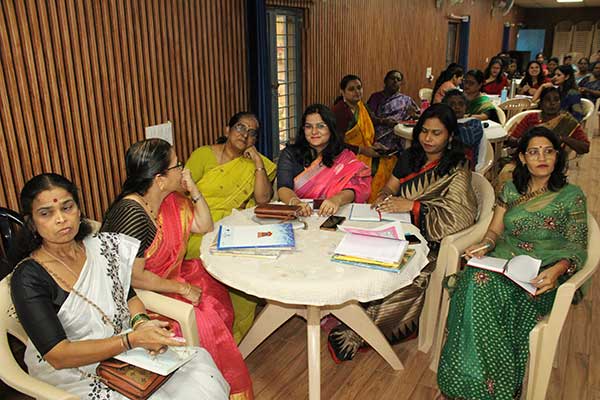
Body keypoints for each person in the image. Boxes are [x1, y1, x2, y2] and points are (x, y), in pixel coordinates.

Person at [10, 173, 230, 399]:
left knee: (198, 370)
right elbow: (58, 355)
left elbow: (128, 294)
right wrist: (130, 340)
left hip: (124, 350)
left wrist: (142, 324)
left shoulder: (100, 247)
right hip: (73, 371)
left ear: (78, 210)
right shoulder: (28, 278)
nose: (61, 219)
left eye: (67, 207)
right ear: (31, 222)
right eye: (46, 213)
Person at [438, 127, 588, 400]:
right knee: (474, 280)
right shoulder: (510, 189)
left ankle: (491, 385)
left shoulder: (572, 195)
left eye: (549, 151)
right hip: (505, 263)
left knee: (478, 289)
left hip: (544, 276)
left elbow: (577, 245)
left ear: (557, 156)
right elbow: (495, 231)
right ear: (522, 158)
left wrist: (557, 271)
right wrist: (484, 246)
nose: (542, 157)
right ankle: (477, 382)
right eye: (534, 152)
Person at [101, 139, 253, 399]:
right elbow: (134, 278)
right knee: (206, 320)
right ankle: (213, 381)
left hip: (168, 278)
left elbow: (205, 226)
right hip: (136, 296)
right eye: (177, 165)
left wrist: (193, 189)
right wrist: (182, 289)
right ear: (160, 179)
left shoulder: (170, 199)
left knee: (213, 289)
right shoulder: (133, 213)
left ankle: (215, 370)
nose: (183, 170)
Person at [327, 104, 477, 362]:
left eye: (437, 133)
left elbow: (460, 215)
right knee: (358, 250)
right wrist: (384, 197)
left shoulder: (457, 167)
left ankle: (364, 329)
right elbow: (389, 188)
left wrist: (413, 206)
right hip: (397, 228)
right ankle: (352, 309)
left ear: (450, 135)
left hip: (430, 241)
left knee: (406, 274)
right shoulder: (410, 156)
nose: (428, 138)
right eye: (424, 131)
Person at [184, 112, 276, 343]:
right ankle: (210, 333)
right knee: (210, 261)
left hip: (235, 226)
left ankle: (233, 338)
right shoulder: (203, 155)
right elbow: (181, 192)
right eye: (240, 128)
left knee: (246, 267)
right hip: (200, 225)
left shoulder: (255, 163)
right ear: (227, 130)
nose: (245, 135)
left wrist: (257, 163)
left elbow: (263, 199)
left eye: (252, 133)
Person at [277, 103, 371, 216]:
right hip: (300, 215)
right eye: (308, 126)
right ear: (303, 129)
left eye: (321, 126)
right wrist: (295, 202)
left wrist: (337, 199)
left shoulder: (342, 155)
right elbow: (283, 187)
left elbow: (356, 186)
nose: (314, 132)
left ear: (331, 128)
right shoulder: (290, 154)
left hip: (336, 213)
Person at [332, 74, 394, 201]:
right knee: (378, 170)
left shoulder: (362, 106)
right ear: (342, 92)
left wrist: (376, 144)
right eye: (351, 89)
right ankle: (371, 202)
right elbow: (335, 143)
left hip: (368, 150)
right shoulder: (340, 111)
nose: (357, 92)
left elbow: (370, 126)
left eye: (359, 88)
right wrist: (362, 150)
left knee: (391, 159)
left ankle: (383, 200)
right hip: (348, 155)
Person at [366, 70, 418, 154]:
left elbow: (418, 115)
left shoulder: (406, 100)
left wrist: (414, 115)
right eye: (392, 78)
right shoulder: (376, 97)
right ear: (385, 80)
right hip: (382, 133)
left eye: (398, 79)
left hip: (401, 133)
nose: (395, 81)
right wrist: (384, 121)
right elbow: (369, 117)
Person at [442, 89, 485, 168]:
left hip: (466, 168)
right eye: (452, 104)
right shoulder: (442, 123)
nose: (457, 107)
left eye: (461, 104)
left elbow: (468, 139)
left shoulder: (474, 123)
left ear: (466, 107)